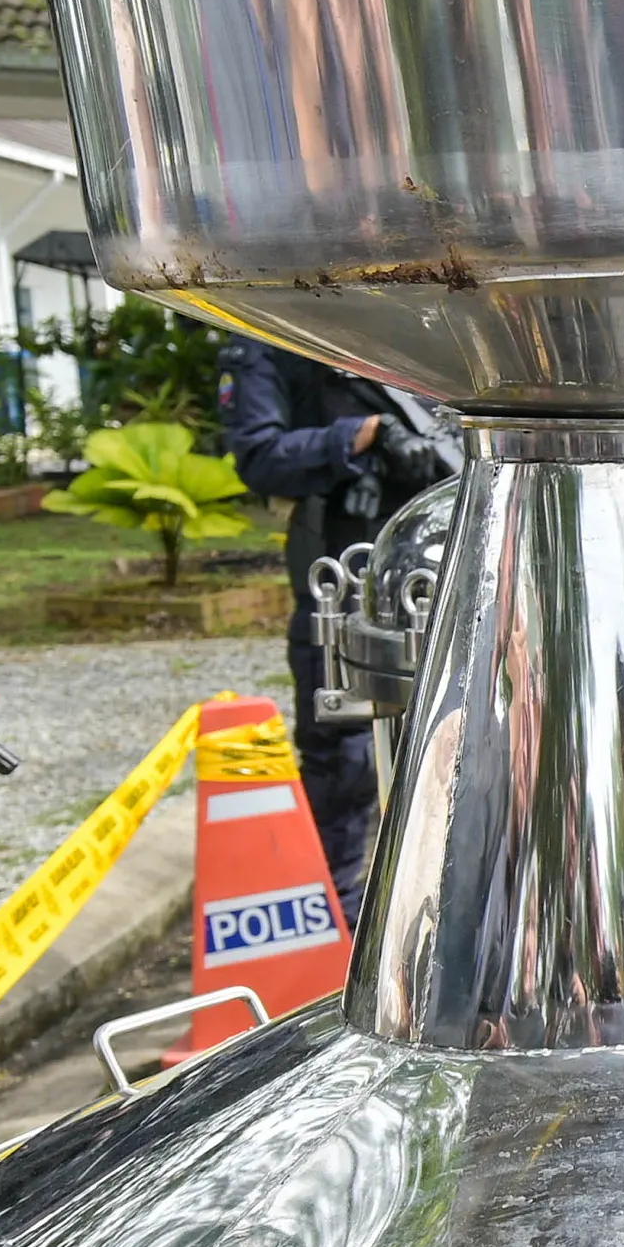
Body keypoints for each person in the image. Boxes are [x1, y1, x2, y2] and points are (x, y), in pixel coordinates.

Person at [217, 341, 456, 910]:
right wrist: (361, 434)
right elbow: (259, 455)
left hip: (442, 567)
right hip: (345, 580)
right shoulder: (272, 340)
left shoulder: (410, 316)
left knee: (458, 746)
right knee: (342, 759)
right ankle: (338, 922)